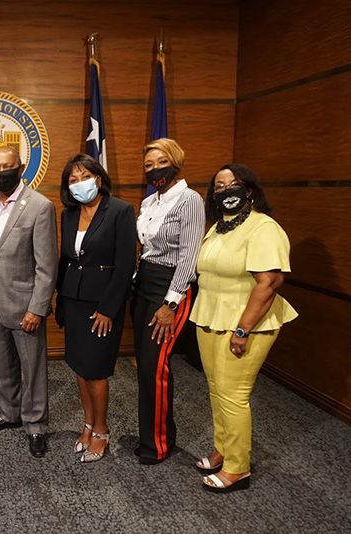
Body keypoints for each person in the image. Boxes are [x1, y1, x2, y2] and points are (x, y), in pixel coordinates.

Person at [190, 164, 298, 493]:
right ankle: (225, 449)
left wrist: (242, 330)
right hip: (210, 315)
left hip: (246, 323)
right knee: (215, 388)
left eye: (233, 184)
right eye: (219, 186)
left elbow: (269, 283)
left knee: (233, 395)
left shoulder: (264, 228)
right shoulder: (219, 228)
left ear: (249, 190)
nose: (225, 191)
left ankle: (238, 468)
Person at [0, 146, 58, 458]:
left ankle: (36, 425)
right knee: (2, 366)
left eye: (7, 166)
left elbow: (47, 266)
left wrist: (37, 308)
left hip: (26, 308)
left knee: (32, 369)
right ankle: (8, 414)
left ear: (21, 167)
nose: (1, 172)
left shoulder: (40, 206)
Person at [55, 154, 137, 463]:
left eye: (83, 177)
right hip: (74, 300)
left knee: (97, 371)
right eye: (72, 181)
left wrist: (108, 308)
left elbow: (126, 264)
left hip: (102, 305)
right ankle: (87, 423)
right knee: (78, 366)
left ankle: (102, 431)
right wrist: (60, 299)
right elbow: (66, 260)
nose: (78, 184)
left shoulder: (120, 211)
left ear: (98, 179)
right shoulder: (68, 214)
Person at [131, 138, 205, 465]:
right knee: (145, 368)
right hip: (144, 285)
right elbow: (146, 249)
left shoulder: (189, 200)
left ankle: (159, 444)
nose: (155, 169)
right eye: (148, 165)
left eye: (161, 162)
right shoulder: (150, 202)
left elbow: (189, 257)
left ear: (175, 161)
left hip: (170, 289)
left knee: (155, 367)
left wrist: (170, 304)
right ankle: (151, 435)